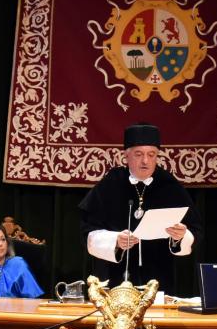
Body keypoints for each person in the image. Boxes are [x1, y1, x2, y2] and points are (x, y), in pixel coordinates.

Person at [78, 122, 203, 295]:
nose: (145, 161)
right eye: (139, 154)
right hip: (115, 278)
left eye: (151, 155)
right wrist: (115, 241)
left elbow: (195, 231)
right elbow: (87, 231)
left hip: (159, 279)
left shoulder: (169, 185)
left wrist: (180, 237)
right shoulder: (111, 183)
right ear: (126, 155)